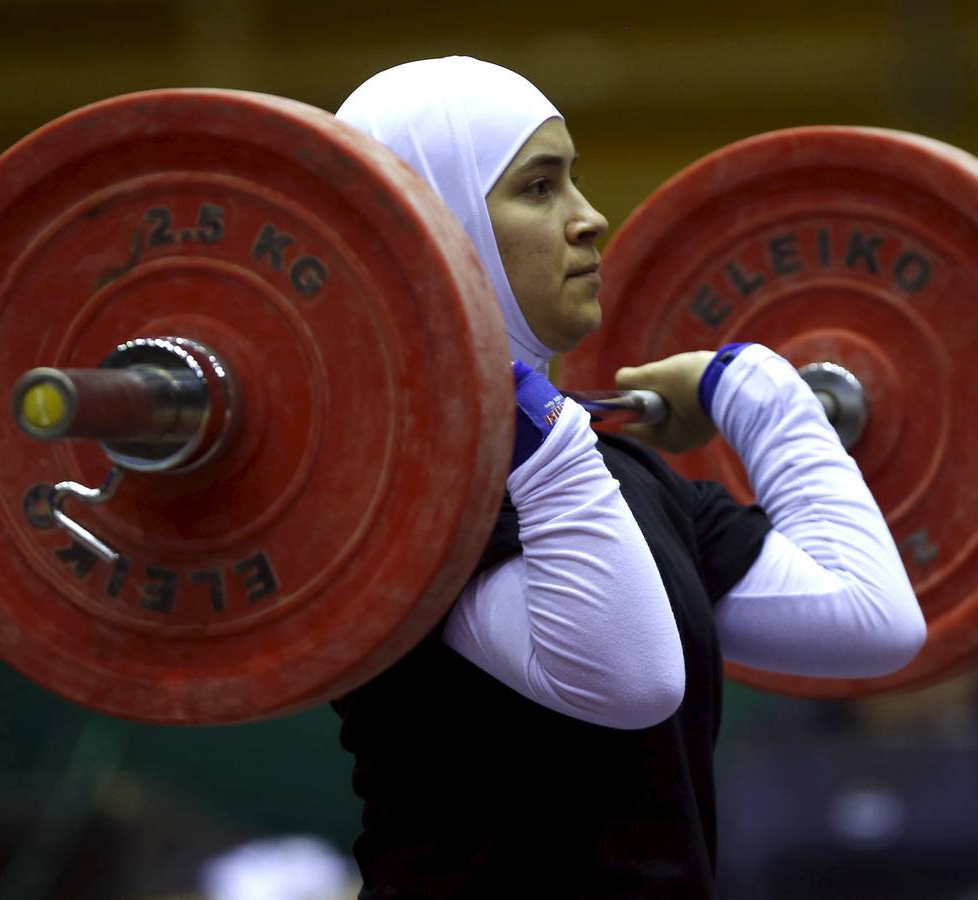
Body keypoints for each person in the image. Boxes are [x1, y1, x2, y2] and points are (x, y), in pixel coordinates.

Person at [329, 56, 926, 899]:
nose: (591, 218)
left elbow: (872, 622)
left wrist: (749, 386)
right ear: (436, 224)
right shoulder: (398, 493)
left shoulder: (618, 471)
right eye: (540, 188)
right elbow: (629, 681)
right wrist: (523, 403)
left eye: (572, 181)